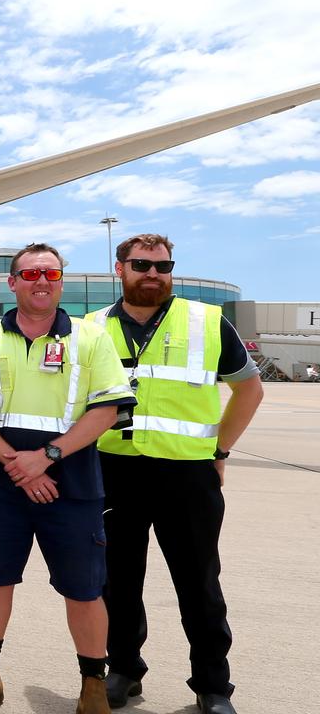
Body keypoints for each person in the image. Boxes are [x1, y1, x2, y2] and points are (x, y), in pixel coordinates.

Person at [0, 243, 135, 714]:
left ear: (61, 282)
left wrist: (46, 457)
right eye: (29, 274)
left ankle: (93, 685)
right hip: (0, 480)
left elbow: (107, 409)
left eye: (50, 273)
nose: (40, 282)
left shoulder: (91, 339)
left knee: (84, 587)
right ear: (12, 283)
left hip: (72, 482)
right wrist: (18, 464)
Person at [91, 235, 263, 714]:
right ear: (119, 268)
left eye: (163, 266)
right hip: (113, 472)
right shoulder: (90, 328)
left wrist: (220, 449)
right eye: (142, 264)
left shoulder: (207, 321)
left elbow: (249, 390)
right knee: (117, 583)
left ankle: (213, 687)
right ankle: (124, 670)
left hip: (187, 477)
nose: (153, 273)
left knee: (199, 584)